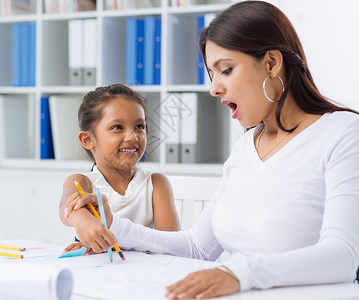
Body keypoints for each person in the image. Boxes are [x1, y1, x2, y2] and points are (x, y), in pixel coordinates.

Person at [64, 1, 359, 298]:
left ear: (271, 63)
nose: (214, 89)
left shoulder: (343, 133)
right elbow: (197, 248)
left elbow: (342, 256)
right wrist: (115, 225)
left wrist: (238, 274)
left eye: (226, 70)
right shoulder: (246, 146)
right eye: (212, 75)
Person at [59, 83, 180, 254]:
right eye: (117, 127)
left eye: (139, 127)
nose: (132, 137)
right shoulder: (81, 182)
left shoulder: (156, 184)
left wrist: (116, 245)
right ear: (88, 140)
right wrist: (79, 217)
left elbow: (171, 246)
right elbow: (65, 208)